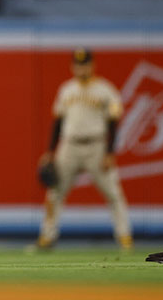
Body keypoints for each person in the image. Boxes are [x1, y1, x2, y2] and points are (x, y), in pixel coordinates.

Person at [33, 48, 132, 251]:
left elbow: (113, 123)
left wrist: (110, 153)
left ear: (92, 65)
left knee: (113, 194)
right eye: (78, 64)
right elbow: (58, 122)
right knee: (55, 193)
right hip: (69, 145)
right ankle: (47, 237)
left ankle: (124, 238)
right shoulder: (66, 90)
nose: (81, 68)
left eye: (85, 64)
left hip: (97, 146)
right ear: (72, 66)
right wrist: (50, 151)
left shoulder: (105, 90)